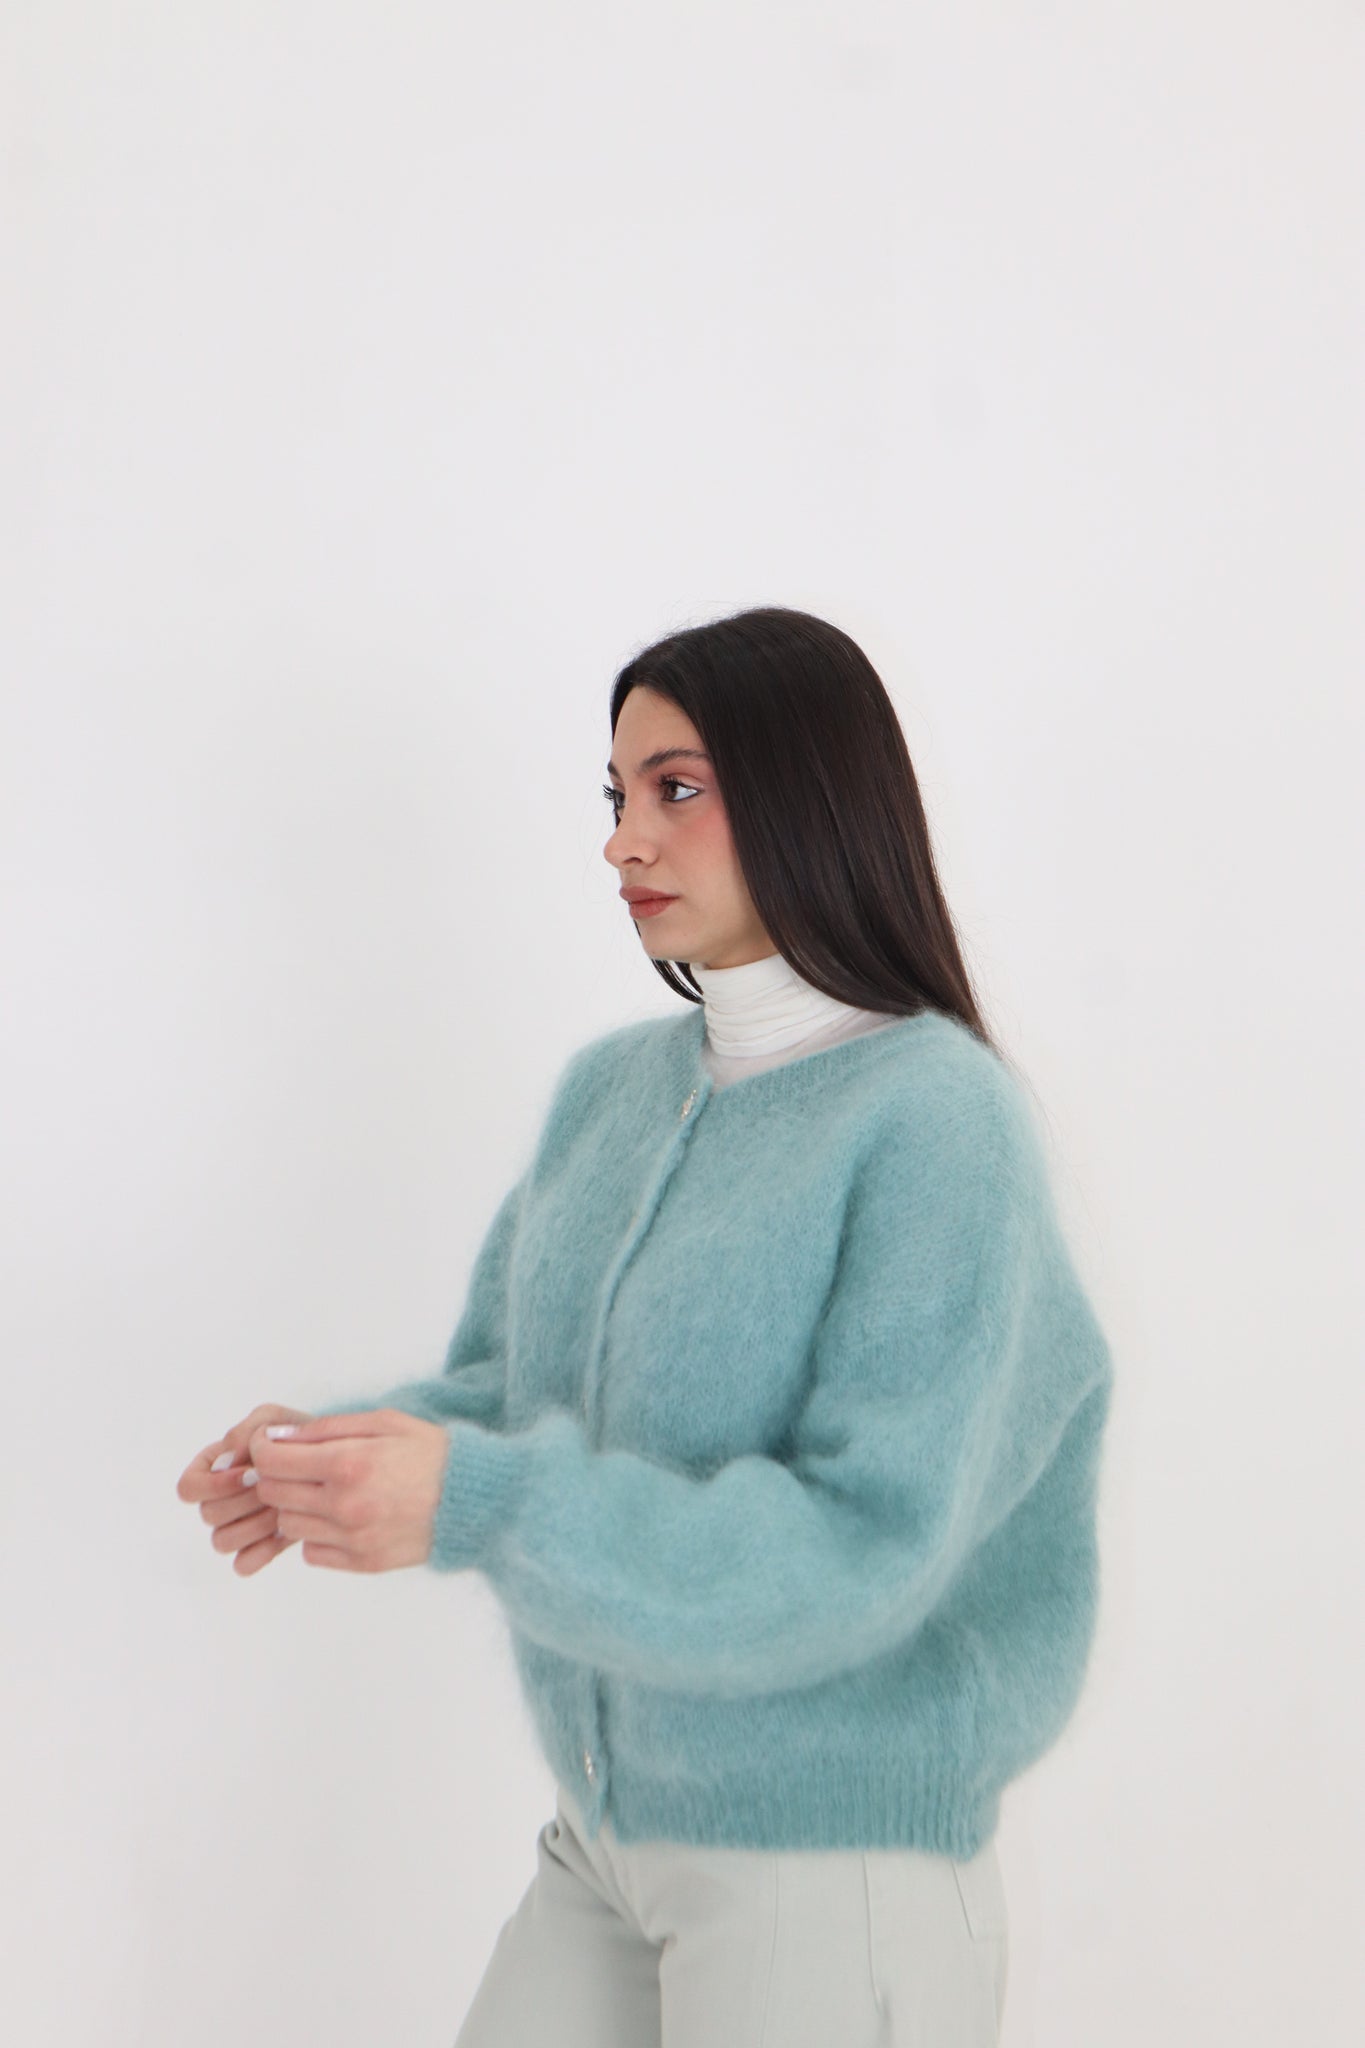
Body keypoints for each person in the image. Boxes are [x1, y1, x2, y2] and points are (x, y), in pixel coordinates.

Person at [177, 606, 1114, 2046]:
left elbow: (864, 1545)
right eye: (616, 796)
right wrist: (340, 1453)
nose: (624, 842)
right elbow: (512, 1391)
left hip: (829, 1864)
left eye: (677, 789)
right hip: (605, 1838)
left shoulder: (937, 1122)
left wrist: (476, 1502)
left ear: (808, 794)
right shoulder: (614, 1093)